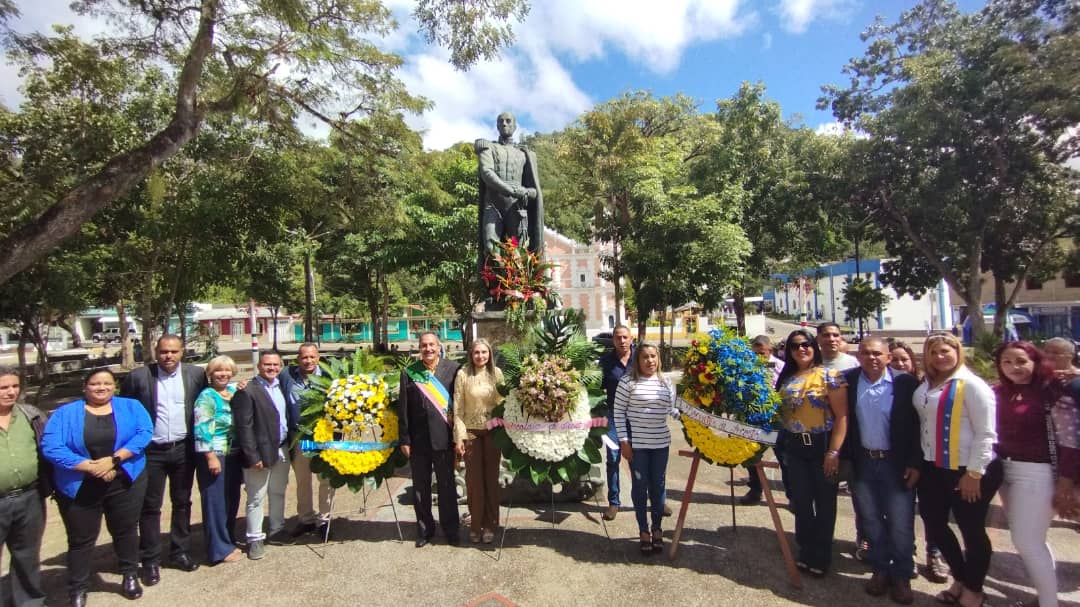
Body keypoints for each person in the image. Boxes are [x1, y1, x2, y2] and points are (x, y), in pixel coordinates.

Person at [42, 369, 153, 606]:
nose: (101, 388)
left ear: (115, 386)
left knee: (126, 530)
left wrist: (115, 460)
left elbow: (144, 433)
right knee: (81, 539)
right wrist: (90, 466)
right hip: (79, 484)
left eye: (107, 383)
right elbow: (51, 446)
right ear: (85, 387)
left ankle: (130, 574)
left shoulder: (131, 406)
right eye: (95, 384)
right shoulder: (65, 413)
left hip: (124, 480)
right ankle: (78, 588)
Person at [913, 332, 1000, 607]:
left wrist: (974, 474)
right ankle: (961, 578)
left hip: (967, 468)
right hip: (933, 466)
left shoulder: (972, 385)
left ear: (957, 352)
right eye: (933, 352)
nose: (939, 357)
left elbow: (986, 433)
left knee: (971, 530)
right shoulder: (927, 383)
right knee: (934, 524)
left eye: (945, 351)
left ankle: (974, 589)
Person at [994, 341, 1080, 607]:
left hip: (1038, 473)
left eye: (1021, 361)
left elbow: (1070, 441)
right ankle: (1046, 596)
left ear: (1035, 362)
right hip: (1006, 472)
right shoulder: (998, 392)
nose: (1014, 367)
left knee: (1026, 540)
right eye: (1007, 362)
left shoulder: (1052, 392)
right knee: (1033, 540)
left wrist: (1066, 484)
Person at [119, 334, 207, 583]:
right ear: (156, 352)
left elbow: (205, 402)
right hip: (151, 452)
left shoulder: (195, 375)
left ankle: (180, 552)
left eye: (174, 351)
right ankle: (150, 560)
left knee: (182, 502)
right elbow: (126, 412)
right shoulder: (138, 377)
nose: (168, 356)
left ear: (182, 352)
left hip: (183, 449)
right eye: (164, 351)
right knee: (150, 506)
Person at [841, 338, 920, 604]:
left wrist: (915, 462)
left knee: (900, 523)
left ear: (888, 357)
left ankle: (901, 575)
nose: (871, 357)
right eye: (865, 353)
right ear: (858, 356)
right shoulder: (848, 380)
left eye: (877, 353)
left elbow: (917, 426)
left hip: (895, 463)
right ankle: (880, 569)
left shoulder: (905, 383)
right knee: (871, 520)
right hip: (864, 461)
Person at [775, 329, 849, 577]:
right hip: (795, 448)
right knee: (802, 502)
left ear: (814, 347)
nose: (801, 349)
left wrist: (833, 452)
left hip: (822, 446)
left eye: (806, 344)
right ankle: (805, 550)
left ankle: (822, 555)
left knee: (825, 503)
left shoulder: (830, 376)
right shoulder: (787, 379)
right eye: (795, 346)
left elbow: (842, 417)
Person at [889, 341, 948, 583]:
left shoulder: (926, 386)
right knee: (902, 512)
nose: (899, 364)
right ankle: (908, 552)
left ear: (913, 361)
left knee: (932, 511)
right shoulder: (888, 387)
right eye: (894, 359)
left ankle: (934, 553)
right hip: (900, 460)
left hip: (929, 459)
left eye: (904, 359)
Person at [232, 350, 299, 559]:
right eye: (267, 364)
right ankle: (254, 538)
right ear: (259, 366)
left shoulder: (281, 386)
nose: (272, 368)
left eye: (275, 365)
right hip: (259, 453)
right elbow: (244, 427)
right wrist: (252, 456)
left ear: (281, 366)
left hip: (281, 448)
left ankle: (277, 529)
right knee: (256, 497)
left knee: (278, 492)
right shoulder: (248, 390)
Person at [398, 332, 461, 547]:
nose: (428, 349)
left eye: (432, 345)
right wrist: (404, 439)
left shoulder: (453, 369)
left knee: (447, 486)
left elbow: (459, 404)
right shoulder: (409, 373)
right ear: (419, 348)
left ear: (439, 346)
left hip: (444, 439)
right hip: (418, 441)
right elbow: (403, 409)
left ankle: (451, 530)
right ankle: (425, 530)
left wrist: (459, 437)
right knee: (420, 488)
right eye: (424, 345)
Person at [614, 344, 675, 556]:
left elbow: (671, 409)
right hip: (638, 446)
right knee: (640, 487)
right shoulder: (627, 382)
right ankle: (643, 530)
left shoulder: (666, 382)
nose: (650, 361)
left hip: (661, 445)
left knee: (658, 486)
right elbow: (618, 413)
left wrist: (686, 414)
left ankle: (657, 528)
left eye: (653, 356)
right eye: (645, 357)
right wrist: (624, 441)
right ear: (637, 361)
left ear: (658, 358)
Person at [0, 368, 50, 607]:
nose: (11, 392)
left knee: (27, 556)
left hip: (30, 498)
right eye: (3, 387)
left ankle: (29, 603)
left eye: (14, 386)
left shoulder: (31, 415)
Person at [475, 111, 544, 269]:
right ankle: (497, 282)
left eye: (508, 121)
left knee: (519, 252)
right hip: (493, 205)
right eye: (501, 121)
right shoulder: (489, 148)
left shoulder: (526, 154)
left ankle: (517, 283)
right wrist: (511, 190)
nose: (504, 124)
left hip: (516, 207)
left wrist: (527, 192)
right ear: (497, 126)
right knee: (490, 247)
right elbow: (487, 173)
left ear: (515, 126)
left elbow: (534, 191)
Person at [192, 355, 243, 564]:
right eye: (218, 371)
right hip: (215, 454)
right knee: (215, 503)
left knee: (231, 500)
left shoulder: (232, 391)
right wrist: (210, 457)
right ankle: (218, 550)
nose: (223, 374)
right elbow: (201, 428)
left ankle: (228, 540)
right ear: (210, 374)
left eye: (227, 370)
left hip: (234, 454)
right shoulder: (207, 396)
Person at [452, 338, 504, 544]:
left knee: (491, 480)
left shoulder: (496, 374)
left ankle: (490, 525)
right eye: (476, 352)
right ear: (471, 354)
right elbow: (457, 409)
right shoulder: (463, 374)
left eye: (484, 352)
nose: (480, 356)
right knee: (474, 482)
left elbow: (503, 403)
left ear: (489, 354)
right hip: (471, 433)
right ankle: (475, 525)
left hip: (493, 433)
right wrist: (459, 437)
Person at [282, 343, 331, 538]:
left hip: (323, 437)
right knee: (303, 480)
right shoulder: (287, 375)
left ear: (318, 357)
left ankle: (324, 520)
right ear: (298, 359)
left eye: (312, 357)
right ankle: (306, 519)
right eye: (304, 357)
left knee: (326, 480)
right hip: (299, 436)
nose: (308, 361)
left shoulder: (328, 376)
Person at [742, 334, 786, 504]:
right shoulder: (747, 366)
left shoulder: (781, 366)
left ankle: (792, 495)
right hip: (754, 417)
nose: (758, 357)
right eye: (755, 353)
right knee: (751, 454)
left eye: (762, 353)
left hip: (776, 418)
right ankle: (755, 489)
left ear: (770, 350)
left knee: (783, 457)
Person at [599, 325, 633, 520]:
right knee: (613, 458)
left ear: (631, 338)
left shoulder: (639, 358)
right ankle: (614, 502)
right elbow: (598, 386)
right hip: (613, 415)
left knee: (640, 459)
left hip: (637, 416)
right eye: (618, 337)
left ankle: (655, 500)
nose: (622, 341)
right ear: (613, 340)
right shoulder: (606, 361)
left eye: (625, 337)